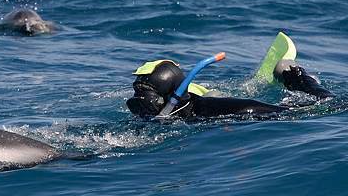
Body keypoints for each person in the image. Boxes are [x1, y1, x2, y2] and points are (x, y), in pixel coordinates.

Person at [126, 35, 334, 119]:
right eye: (138, 93)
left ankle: (291, 73)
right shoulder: (154, 116)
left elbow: (305, 113)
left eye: (146, 94)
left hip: (245, 109)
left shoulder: (231, 109)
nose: (140, 102)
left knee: (324, 101)